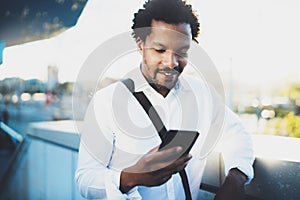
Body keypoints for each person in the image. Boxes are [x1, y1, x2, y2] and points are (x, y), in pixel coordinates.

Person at [75, 0, 254, 199]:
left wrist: (236, 179)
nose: (171, 62)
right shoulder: (106, 102)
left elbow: (237, 133)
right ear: (140, 45)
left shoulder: (202, 94)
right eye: (160, 50)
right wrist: (133, 176)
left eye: (182, 52)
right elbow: (85, 179)